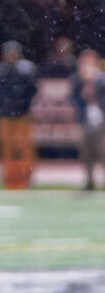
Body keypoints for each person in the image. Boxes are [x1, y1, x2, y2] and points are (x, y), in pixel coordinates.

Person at [0, 40, 39, 188]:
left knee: (24, 147)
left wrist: (22, 105)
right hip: (5, 114)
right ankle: (9, 174)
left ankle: (26, 174)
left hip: (21, 114)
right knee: (6, 146)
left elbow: (31, 90)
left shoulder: (26, 69)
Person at [71, 48, 105, 190]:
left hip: (100, 119)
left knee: (101, 151)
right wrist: (84, 90)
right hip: (85, 120)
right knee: (86, 152)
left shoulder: (101, 79)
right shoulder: (77, 79)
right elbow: (74, 99)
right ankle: (89, 180)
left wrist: (94, 92)